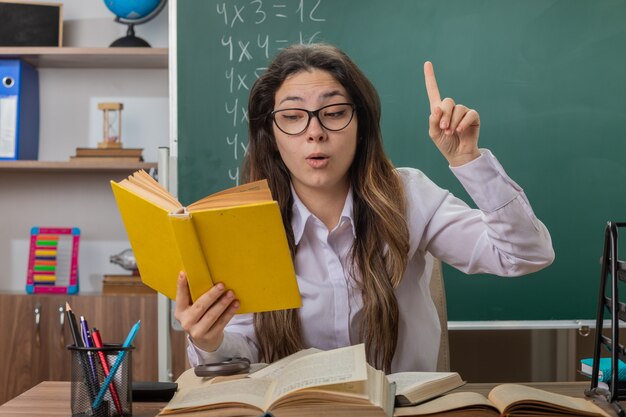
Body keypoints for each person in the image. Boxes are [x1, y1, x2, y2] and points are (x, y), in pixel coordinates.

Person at [175, 43, 554, 373]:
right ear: (271, 136)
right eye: (292, 117)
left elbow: (525, 255)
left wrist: (468, 160)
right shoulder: (243, 225)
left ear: (362, 124)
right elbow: (243, 357)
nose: (314, 132)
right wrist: (210, 341)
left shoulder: (409, 196)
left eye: (335, 112)